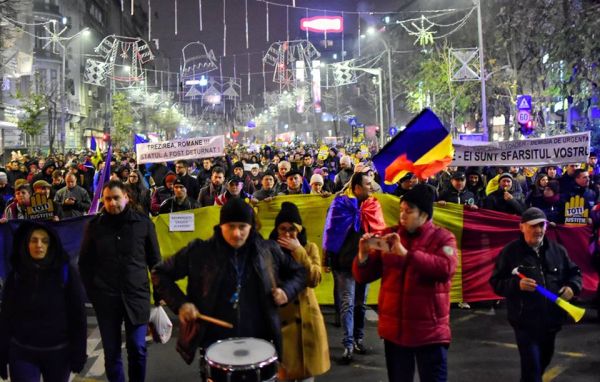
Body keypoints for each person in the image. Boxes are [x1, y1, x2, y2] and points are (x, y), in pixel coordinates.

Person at [151, 197, 307, 374]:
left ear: (251, 227)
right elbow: (160, 273)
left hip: (260, 339)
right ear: (221, 225)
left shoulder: (268, 250)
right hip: (215, 341)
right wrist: (181, 304)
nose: (236, 233)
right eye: (230, 226)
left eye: (242, 227)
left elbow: (300, 273)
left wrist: (286, 291)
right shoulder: (200, 251)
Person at [352, 183, 457, 382]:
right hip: (395, 332)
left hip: (430, 333)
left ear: (424, 214)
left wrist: (407, 255)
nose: (402, 215)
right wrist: (363, 255)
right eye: (401, 210)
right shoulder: (390, 235)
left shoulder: (443, 238)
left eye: (409, 211)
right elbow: (363, 276)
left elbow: (446, 269)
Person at [79, 180, 161, 382]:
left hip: (137, 296)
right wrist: (93, 294)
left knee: (138, 348)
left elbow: (155, 261)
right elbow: (85, 264)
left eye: (116, 198)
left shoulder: (143, 223)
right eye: (107, 199)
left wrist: (158, 294)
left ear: (126, 197)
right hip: (106, 299)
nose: (112, 203)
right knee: (112, 352)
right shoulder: (94, 226)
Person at [489, 207, 582, 382]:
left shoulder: (558, 250)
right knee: (532, 368)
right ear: (522, 227)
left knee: (542, 363)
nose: (538, 230)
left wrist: (572, 287)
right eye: (533, 226)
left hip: (552, 322)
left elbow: (575, 273)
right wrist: (517, 285)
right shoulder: (510, 252)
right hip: (525, 323)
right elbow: (496, 283)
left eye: (542, 225)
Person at [0, 222, 87, 382]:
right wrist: (2, 354)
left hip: (59, 353)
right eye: (34, 240)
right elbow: (5, 317)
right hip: (22, 352)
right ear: (26, 243)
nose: (39, 245)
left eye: (44, 241)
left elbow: (78, 315)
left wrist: (79, 352)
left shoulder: (66, 272)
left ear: (51, 244)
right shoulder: (16, 275)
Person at [323, 172, 386, 364]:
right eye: (368, 184)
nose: (371, 187)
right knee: (347, 303)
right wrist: (328, 260)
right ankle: (348, 343)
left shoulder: (374, 206)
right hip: (343, 265)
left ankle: (358, 339)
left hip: (364, 266)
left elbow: (379, 234)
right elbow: (330, 233)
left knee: (360, 304)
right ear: (357, 187)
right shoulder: (339, 205)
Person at [269, 202, 330, 381]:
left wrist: (299, 251)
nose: (288, 234)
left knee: (306, 376)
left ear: (300, 230)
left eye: (292, 229)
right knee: (283, 374)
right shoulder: (269, 250)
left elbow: (314, 279)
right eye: (283, 229)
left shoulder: (309, 248)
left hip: (307, 322)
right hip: (281, 323)